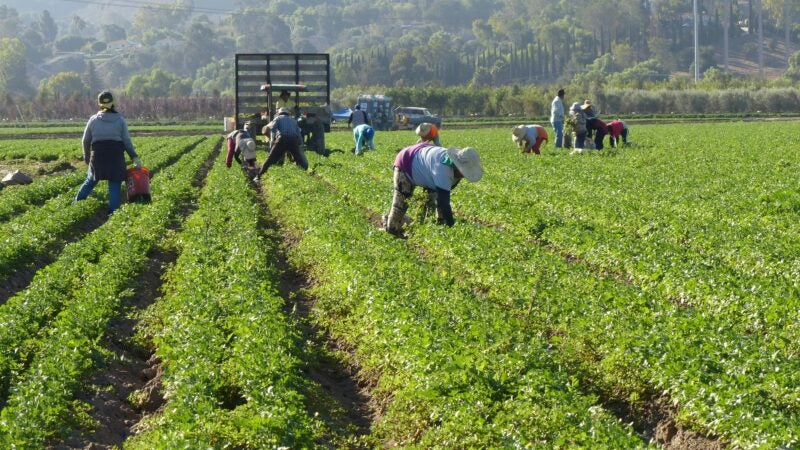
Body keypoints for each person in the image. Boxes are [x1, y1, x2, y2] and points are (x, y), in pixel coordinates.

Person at [383, 144, 483, 236]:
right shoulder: (443, 170)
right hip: (406, 161)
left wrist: (442, 222)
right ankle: (390, 223)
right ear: (458, 166)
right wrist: (451, 226)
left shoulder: (452, 171)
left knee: (430, 206)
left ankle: (426, 226)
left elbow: (441, 198)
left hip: (426, 166)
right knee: (400, 207)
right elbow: (444, 203)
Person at [74, 90, 142, 214]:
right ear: (113, 103)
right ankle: (113, 214)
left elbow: (85, 141)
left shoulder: (93, 120)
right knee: (114, 185)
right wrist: (134, 157)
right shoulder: (120, 120)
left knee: (90, 180)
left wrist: (87, 157)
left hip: (98, 157)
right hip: (115, 157)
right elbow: (126, 141)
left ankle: (76, 205)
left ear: (99, 104)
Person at [254, 107, 307, 180]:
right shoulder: (293, 121)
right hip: (293, 140)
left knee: (270, 159)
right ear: (288, 113)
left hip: (282, 140)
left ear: (279, 113)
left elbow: (272, 129)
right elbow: (298, 133)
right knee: (299, 159)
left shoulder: (278, 118)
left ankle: (258, 176)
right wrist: (300, 143)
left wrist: (272, 142)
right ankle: (305, 175)